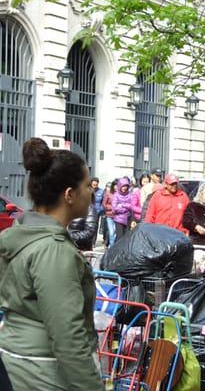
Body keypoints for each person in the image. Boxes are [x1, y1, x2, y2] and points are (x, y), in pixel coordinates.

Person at [0, 138, 104, 391]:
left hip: (19, 361)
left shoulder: (20, 233)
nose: (91, 191)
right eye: (87, 185)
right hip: (43, 371)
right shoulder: (54, 251)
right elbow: (68, 337)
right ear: (69, 194)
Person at [182, 182, 205, 246]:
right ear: (201, 194)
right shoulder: (192, 206)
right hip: (196, 241)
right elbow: (186, 221)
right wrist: (196, 227)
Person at [112, 177, 132, 241]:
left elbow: (131, 206)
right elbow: (114, 208)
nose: (124, 188)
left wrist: (122, 205)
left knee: (126, 238)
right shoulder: (116, 195)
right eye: (123, 186)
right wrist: (126, 208)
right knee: (119, 237)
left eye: (126, 186)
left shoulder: (130, 194)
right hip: (119, 219)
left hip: (128, 219)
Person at [102, 179, 118, 247]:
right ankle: (111, 247)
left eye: (117, 185)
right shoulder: (108, 193)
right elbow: (104, 204)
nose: (116, 187)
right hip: (110, 216)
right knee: (111, 233)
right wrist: (112, 208)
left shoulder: (121, 194)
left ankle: (112, 247)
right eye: (115, 185)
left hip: (118, 216)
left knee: (115, 233)